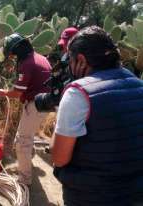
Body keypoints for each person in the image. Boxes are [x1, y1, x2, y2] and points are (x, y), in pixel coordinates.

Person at [50, 26, 143, 206]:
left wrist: (57, 122)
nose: (69, 65)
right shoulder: (139, 85)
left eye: (70, 59)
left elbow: (59, 157)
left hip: (92, 196)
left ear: (82, 60)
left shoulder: (77, 93)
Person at [0, 33, 51, 185]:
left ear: (18, 50)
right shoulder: (41, 58)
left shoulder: (27, 64)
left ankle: (24, 180)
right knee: (27, 136)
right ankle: (28, 162)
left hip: (35, 105)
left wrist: (4, 93)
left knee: (22, 142)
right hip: (45, 104)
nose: (14, 57)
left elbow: (17, 92)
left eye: (13, 54)